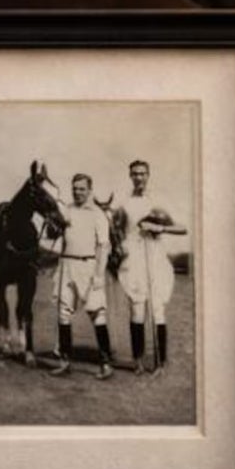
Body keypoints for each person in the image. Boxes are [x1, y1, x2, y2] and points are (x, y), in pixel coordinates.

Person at [117, 158, 186, 373]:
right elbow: (118, 231)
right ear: (130, 176)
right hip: (133, 257)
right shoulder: (124, 203)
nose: (138, 177)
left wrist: (159, 228)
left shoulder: (158, 200)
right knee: (136, 310)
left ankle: (161, 362)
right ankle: (138, 361)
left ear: (148, 175)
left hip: (155, 256)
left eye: (142, 173)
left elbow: (182, 228)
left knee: (157, 309)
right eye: (135, 174)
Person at [46, 174, 114, 379]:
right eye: (75, 188)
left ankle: (105, 364)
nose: (77, 192)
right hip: (66, 265)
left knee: (97, 313)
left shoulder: (98, 215)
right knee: (63, 313)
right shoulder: (66, 211)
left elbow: (103, 246)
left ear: (90, 190)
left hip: (89, 265)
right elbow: (53, 234)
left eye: (82, 188)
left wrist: (99, 275)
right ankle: (65, 362)